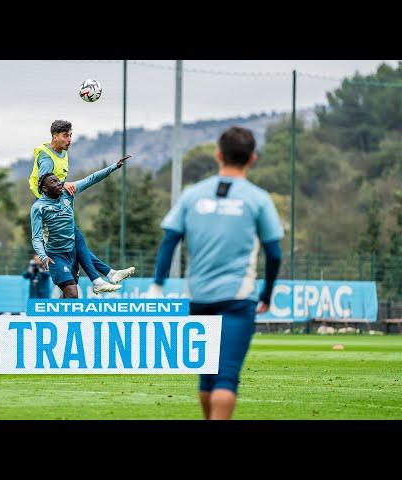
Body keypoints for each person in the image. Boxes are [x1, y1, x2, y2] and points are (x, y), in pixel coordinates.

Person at [147, 126, 283, 420]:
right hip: (237, 299)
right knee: (226, 376)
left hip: (199, 298)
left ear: (218, 155)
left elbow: (169, 240)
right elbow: (274, 253)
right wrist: (267, 294)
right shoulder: (258, 199)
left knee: (207, 376)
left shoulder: (192, 195)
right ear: (253, 159)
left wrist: (158, 284)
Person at [29, 120, 135, 294]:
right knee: (76, 243)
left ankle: (108, 274)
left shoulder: (62, 152)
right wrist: (62, 187)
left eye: (71, 135)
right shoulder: (47, 160)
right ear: (55, 137)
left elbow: (90, 179)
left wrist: (114, 167)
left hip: (60, 205)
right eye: (65, 136)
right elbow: (45, 183)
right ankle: (101, 278)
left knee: (78, 250)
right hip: (52, 214)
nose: (69, 139)